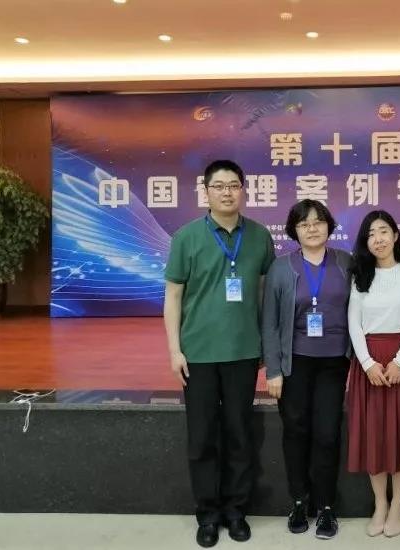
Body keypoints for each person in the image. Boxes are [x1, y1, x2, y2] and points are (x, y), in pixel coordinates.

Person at [163, 159, 275, 548]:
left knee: (240, 434)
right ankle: (208, 514)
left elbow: (264, 294)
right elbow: (173, 296)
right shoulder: (186, 237)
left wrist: (265, 344)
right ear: (206, 192)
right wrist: (174, 349)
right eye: (219, 186)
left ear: (243, 190)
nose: (227, 192)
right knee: (202, 437)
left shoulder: (259, 236)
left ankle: (236, 510)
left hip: (243, 352)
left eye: (233, 186)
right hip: (198, 354)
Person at [261, 199, 352, 539]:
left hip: (334, 362)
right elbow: (270, 321)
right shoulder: (281, 267)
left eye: (318, 222)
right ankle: (299, 501)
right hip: (294, 361)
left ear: (329, 226)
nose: (312, 228)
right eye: (304, 224)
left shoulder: (346, 262)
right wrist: (273, 369)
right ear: (294, 230)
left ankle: (326, 506)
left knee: (328, 434)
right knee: (296, 431)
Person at [346, 210, 400, 538]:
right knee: (374, 436)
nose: (377, 239)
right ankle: (380, 503)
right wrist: (367, 363)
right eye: (370, 234)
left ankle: (398, 505)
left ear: (395, 235)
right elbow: (354, 322)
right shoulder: (360, 276)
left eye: (383, 231)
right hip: (369, 365)